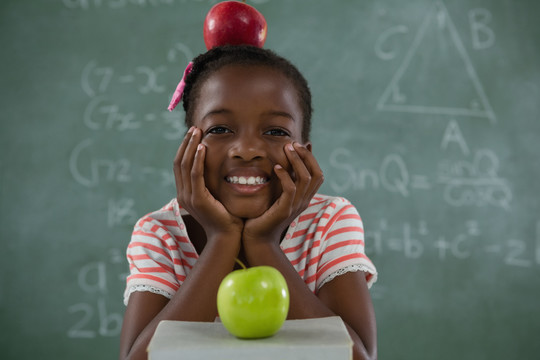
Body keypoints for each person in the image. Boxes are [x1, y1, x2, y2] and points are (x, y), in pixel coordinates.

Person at [119, 45, 378, 360]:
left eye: (275, 131)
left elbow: (359, 357)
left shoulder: (329, 221)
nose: (247, 149)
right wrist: (222, 239)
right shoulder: (160, 233)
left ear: (305, 154)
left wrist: (262, 242)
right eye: (220, 129)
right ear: (189, 146)